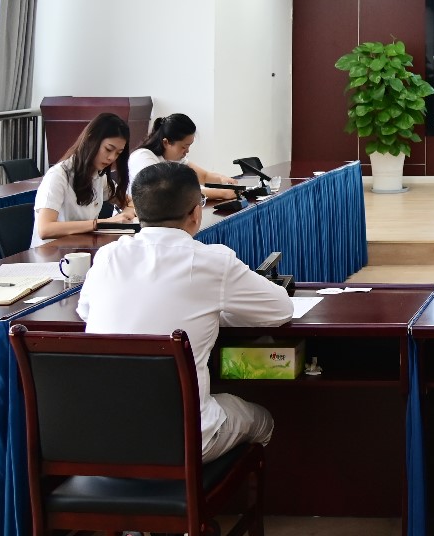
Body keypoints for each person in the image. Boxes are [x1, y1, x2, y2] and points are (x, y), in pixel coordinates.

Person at [77, 161, 295, 461]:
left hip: (102, 438)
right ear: (196, 213)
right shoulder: (212, 261)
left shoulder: (108, 256)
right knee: (262, 419)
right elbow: (281, 310)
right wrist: (215, 313)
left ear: (137, 212)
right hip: (183, 442)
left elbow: (86, 312)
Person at [31, 112, 136, 247]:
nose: (112, 158)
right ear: (91, 139)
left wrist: (127, 213)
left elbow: (129, 202)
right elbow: (45, 229)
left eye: (118, 153)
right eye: (108, 149)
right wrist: (103, 223)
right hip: (50, 253)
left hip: (81, 250)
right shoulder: (58, 176)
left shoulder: (99, 176)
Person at [127, 112, 240, 201]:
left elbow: (204, 176)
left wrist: (223, 179)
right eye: (184, 147)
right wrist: (222, 193)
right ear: (166, 142)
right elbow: (169, 192)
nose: (187, 151)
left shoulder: (176, 159)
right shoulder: (143, 157)